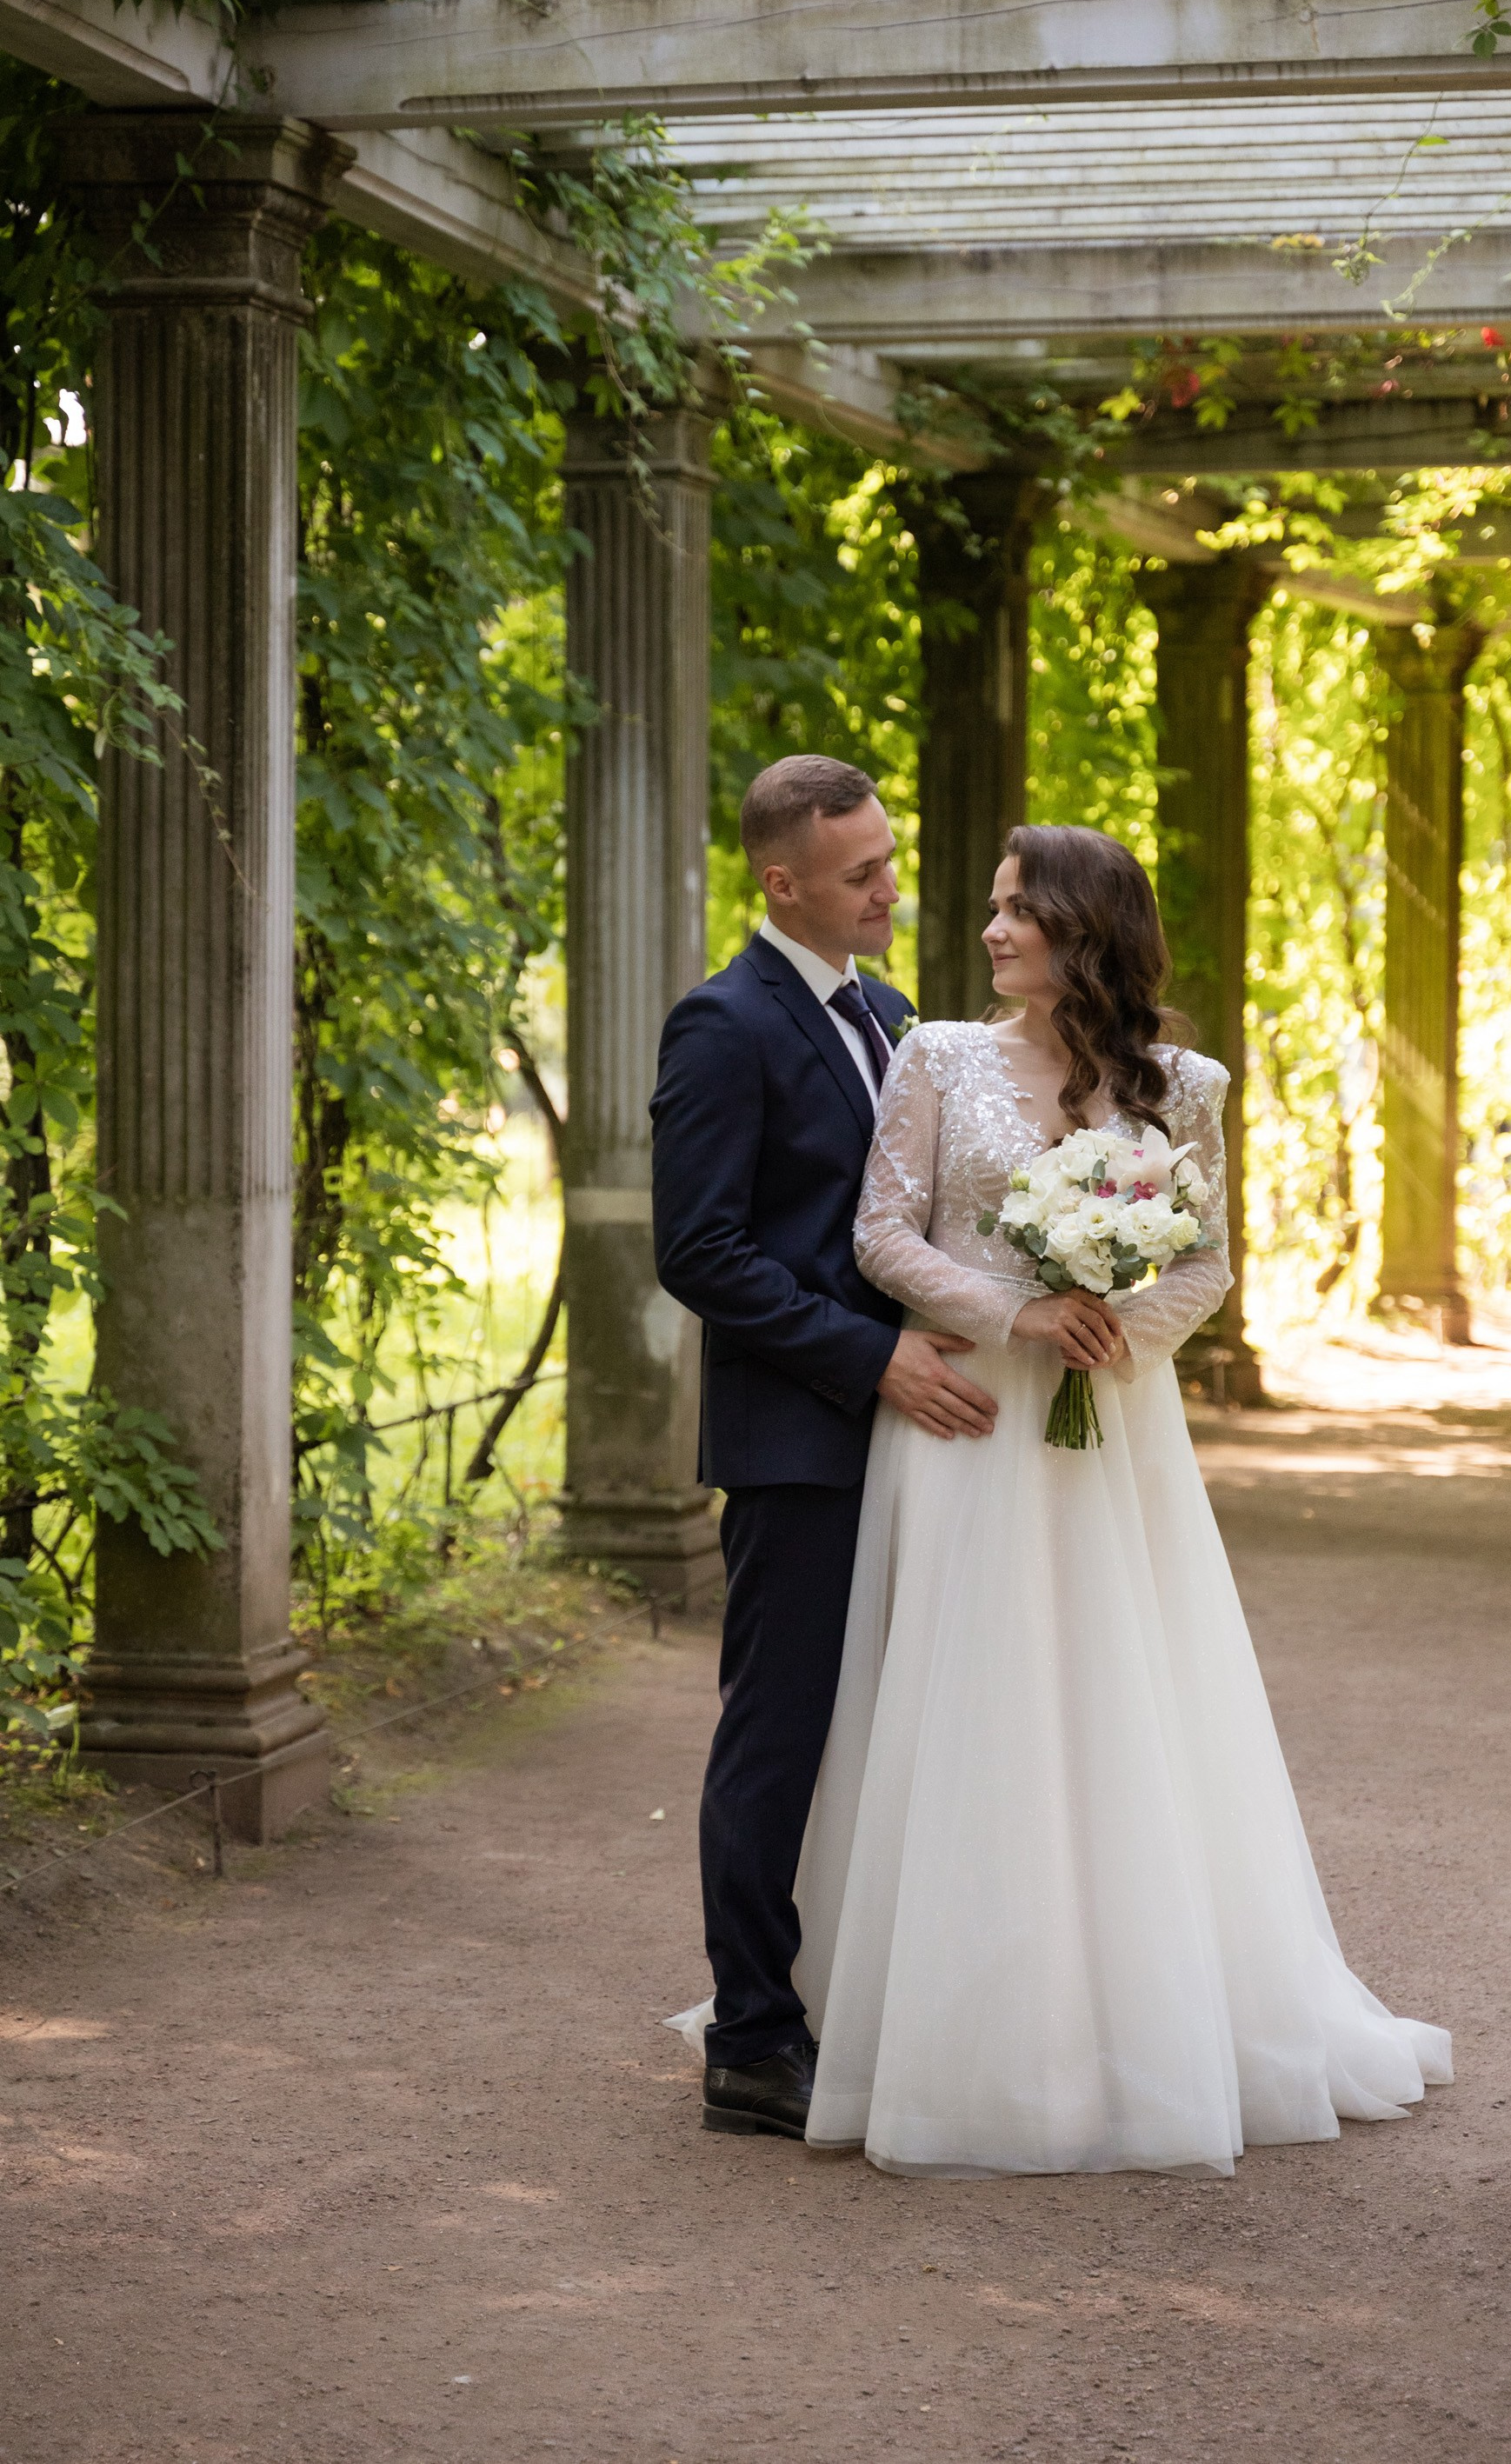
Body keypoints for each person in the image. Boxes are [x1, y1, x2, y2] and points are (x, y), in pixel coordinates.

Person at [790, 822, 1452, 2175]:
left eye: (1017, 909)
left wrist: (1118, 1331)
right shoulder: (937, 1057)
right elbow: (881, 1233)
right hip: (970, 1415)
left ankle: (1132, 2017)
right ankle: (951, 2026)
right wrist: (1018, 1313)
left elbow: (1205, 1263)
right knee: (969, 1701)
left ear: (1084, 929)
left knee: (1115, 1692)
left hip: (1113, 1432)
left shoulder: (1185, 1085)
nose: (990, 929)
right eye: (992, 906)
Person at [650, 756, 1000, 2141]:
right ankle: (749, 2037)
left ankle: (865, 1996)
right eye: (862, 873)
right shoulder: (721, 1024)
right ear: (780, 881)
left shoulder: (894, 1018)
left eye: (890, 859)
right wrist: (871, 1357)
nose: (891, 889)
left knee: (893, 1731)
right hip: (799, 1443)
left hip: (919, 1440)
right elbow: (701, 1250)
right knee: (778, 1739)